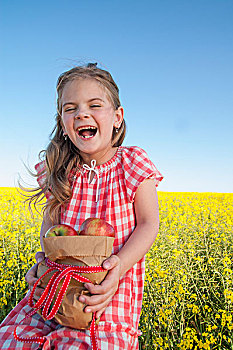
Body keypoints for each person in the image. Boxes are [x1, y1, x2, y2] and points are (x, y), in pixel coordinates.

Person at [0, 63, 163, 349]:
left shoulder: (132, 163)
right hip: (55, 293)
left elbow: (149, 224)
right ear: (63, 124)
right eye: (70, 108)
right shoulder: (58, 171)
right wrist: (42, 268)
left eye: (94, 105)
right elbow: (50, 233)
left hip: (106, 300)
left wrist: (119, 266)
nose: (82, 114)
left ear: (117, 117)